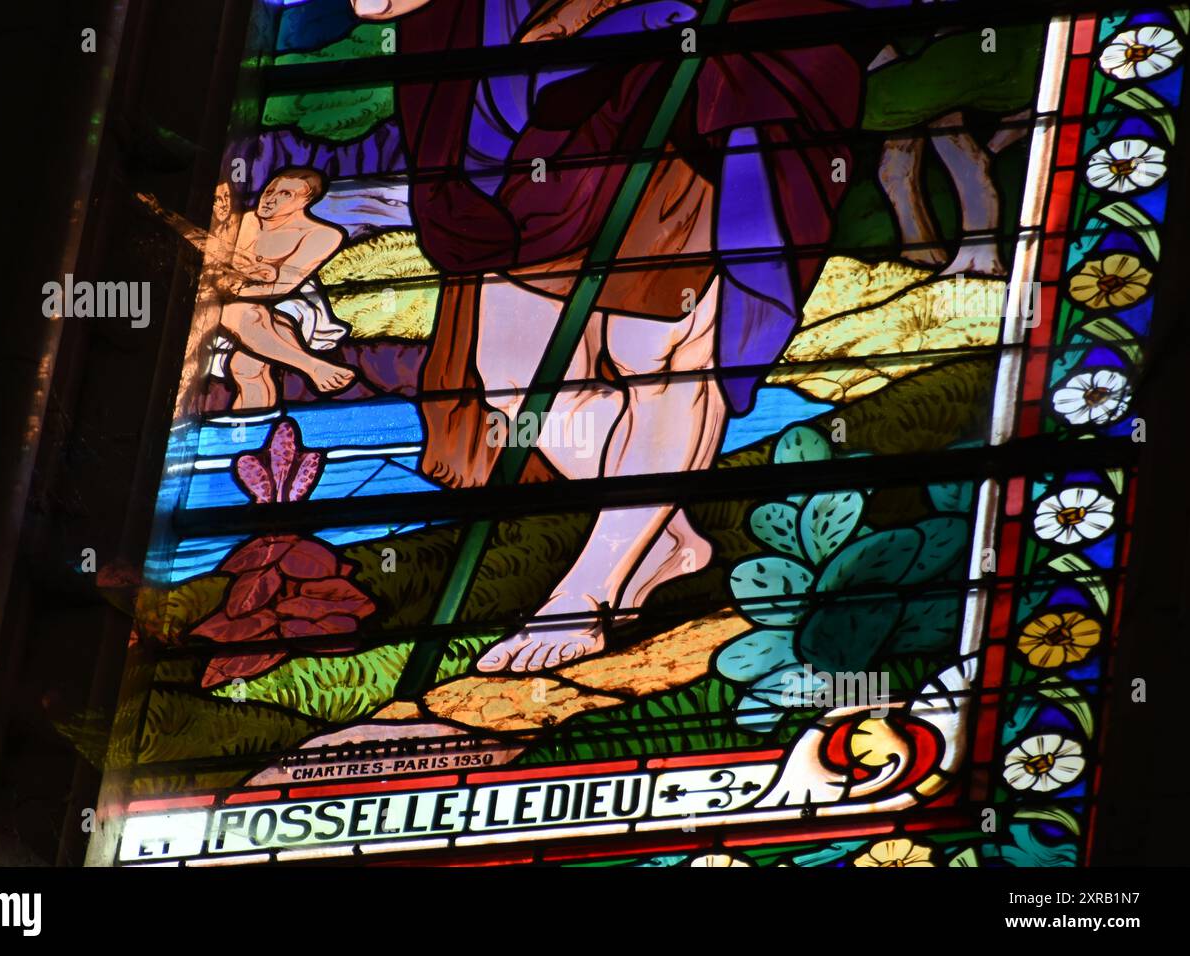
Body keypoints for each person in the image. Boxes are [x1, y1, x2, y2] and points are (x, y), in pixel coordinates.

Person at [354, 0, 864, 671]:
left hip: (679, 108)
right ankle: (665, 534)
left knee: (660, 356)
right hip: (526, 153)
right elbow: (374, 5)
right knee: (513, 376)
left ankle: (588, 595)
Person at [209, 168, 356, 409]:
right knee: (246, 368)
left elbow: (281, 286)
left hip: (295, 304)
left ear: (305, 200)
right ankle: (254, 430)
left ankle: (310, 366)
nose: (270, 198)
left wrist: (234, 289)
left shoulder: (322, 234)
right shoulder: (245, 221)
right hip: (236, 301)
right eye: (269, 191)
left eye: (285, 194)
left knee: (242, 314)